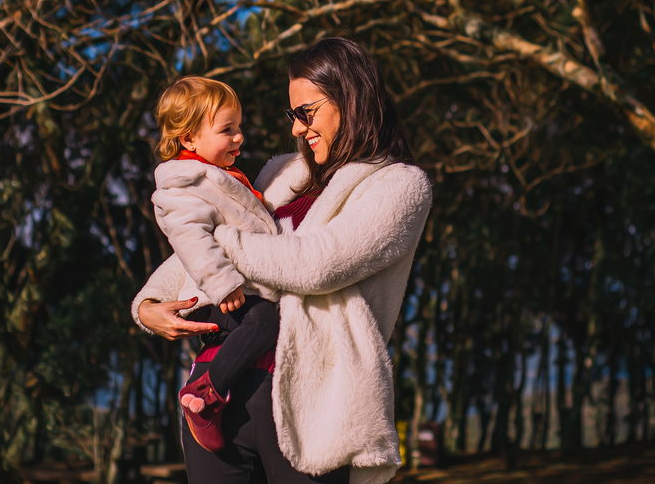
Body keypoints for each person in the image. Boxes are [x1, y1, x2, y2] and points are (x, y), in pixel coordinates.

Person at [133, 38, 433, 484]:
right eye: (292, 115)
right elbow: (194, 250)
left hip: (306, 404)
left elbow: (315, 265)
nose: (295, 128)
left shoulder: (400, 185)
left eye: (304, 113)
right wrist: (147, 305)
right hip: (215, 388)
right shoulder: (280, 173)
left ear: (350, 99)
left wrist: (213, 237)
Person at [151, 76, 282, 453]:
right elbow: (190, 239)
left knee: (264, 319)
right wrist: (222, 283)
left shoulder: (219, 175)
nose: (239, 137)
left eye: (239, 127)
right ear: (189, 139)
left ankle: (207, 392)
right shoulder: (182, 184)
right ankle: (207, 395)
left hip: (228, 291)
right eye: (227, 130)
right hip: (214, 294)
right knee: (264, 320)